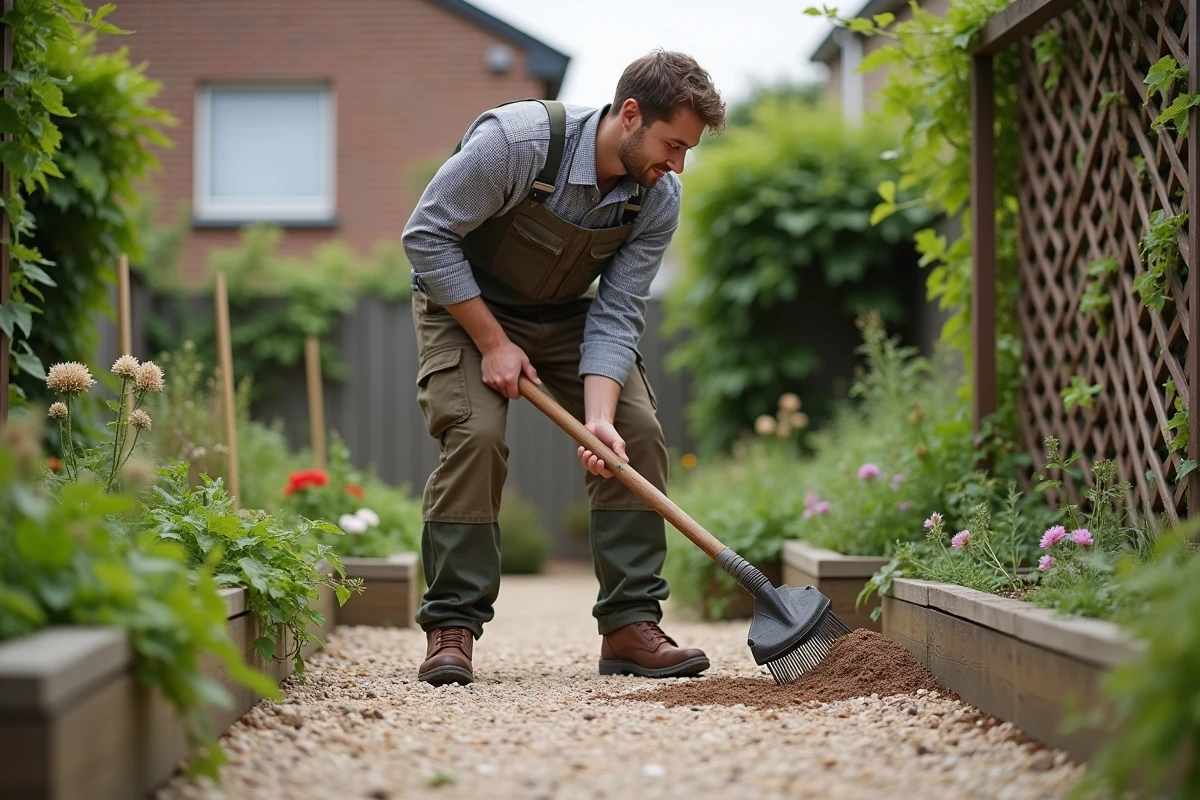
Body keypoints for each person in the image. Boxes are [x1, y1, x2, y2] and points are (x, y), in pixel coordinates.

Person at [401, 49, 726, 686]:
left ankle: (631, 625)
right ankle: (452, 625)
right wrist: (493, 342)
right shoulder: (517, 144)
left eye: (687, 150)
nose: (677, 165)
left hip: (566, 316)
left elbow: (618, 309)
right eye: (671, 144)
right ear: (630, 115)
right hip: (464, 304)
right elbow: (427, 235)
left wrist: (598, 419)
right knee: (476, 434)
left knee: (636, 433)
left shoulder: (656, 197)